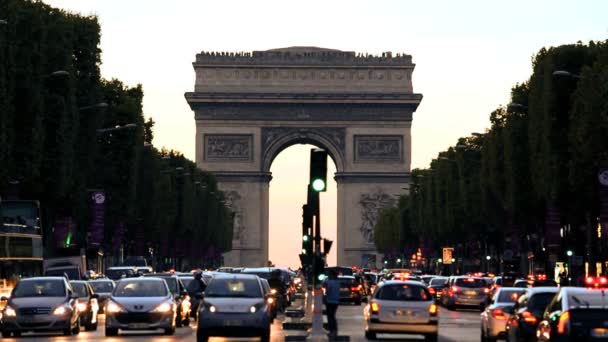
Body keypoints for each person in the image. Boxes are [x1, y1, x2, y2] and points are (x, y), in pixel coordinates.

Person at [324, 269, 341, 339]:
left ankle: (332, 331)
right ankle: (335, 331)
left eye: (329, 274)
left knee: (330, 317)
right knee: (333, 316)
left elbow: (327, 290)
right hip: (336, 301)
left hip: (330, 301)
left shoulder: (329, 282)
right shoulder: (338, 282)